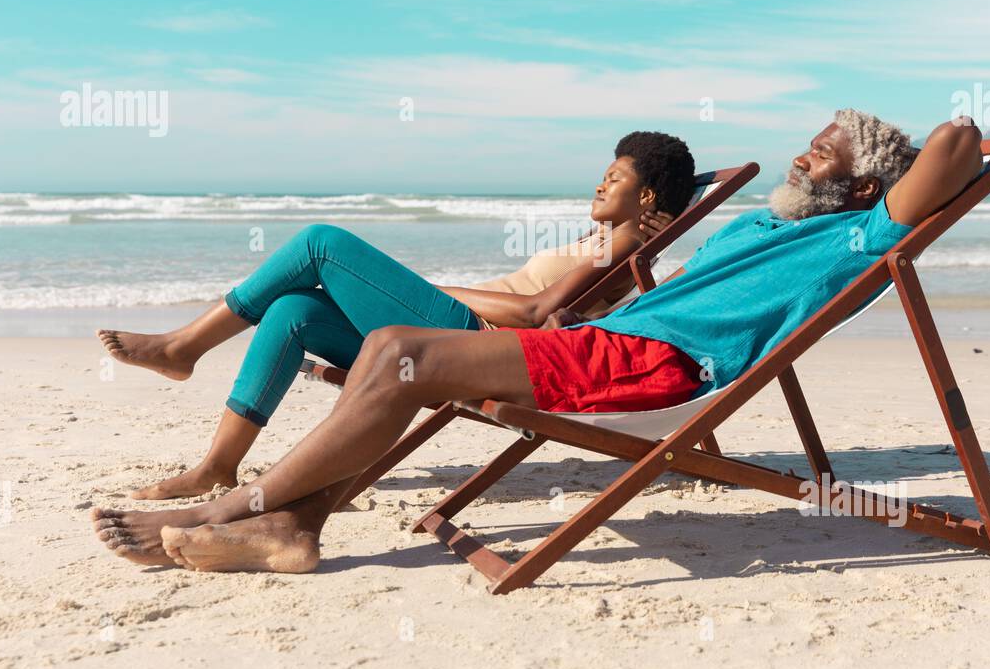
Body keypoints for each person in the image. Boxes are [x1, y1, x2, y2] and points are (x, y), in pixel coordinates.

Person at [92, 111, 982, 575]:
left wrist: (879, 164)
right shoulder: (770, 223)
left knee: (404, 352)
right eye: (807, 146)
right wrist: (839, 156)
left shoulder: (854, 235)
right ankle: (292, 522)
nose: (801, 161)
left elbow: (959, 144)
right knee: (390, 349)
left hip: (649, 366)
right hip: (611, 340)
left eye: (822, 156)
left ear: (867, 185)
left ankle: (231, 511)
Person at [95, 131, 695, 499]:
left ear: (645, 197)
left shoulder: (626, 243)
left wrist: (431, 290)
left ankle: (185, 349)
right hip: (451, 336)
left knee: (320, 242)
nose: (599, 183)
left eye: (614, 176)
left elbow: (539, 311)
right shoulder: (607, 241)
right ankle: (218, 467)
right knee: (293, 309)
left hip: (471, 344)